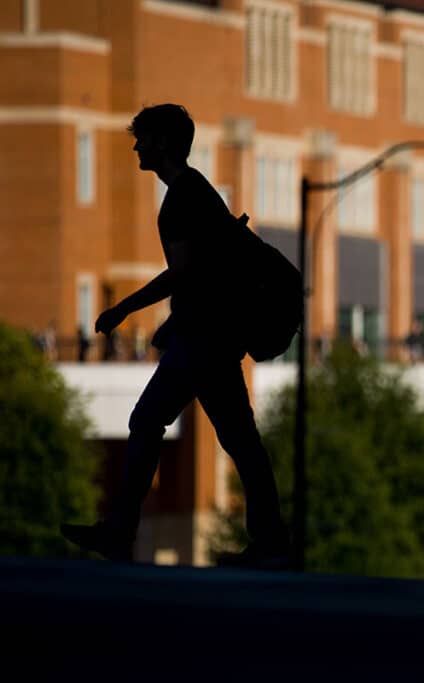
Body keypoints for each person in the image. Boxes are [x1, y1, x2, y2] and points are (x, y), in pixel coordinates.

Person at [61, 104, 289, 568]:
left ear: (162, 142)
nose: (136, 146)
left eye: (142, 138)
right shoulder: (197, 190)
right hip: (207, 337)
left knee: (171, 426)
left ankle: (123, 532)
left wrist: (125, 308)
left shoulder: (182, 199)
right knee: (227, 438)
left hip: (204, 340)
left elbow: (184, 275)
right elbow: (200, 271)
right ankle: (267, 542)